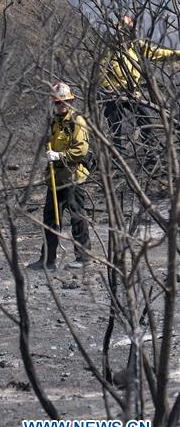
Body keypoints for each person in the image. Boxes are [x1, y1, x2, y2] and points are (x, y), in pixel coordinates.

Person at [27, 83, 91, 271]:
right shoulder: (54, 122)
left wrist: (60, 156)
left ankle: (83, 257)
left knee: (77, 217)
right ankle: (48, 260)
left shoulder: (77, 121)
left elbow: (81, 149)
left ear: (71, 101)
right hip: (55, 178)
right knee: (51, 219)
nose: (61, 106)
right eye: (58, 103)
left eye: (64, 102)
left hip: (73, 177)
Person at [98, 15, 179, 161]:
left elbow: (158, 53)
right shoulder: (110, 50)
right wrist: (108, 87)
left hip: (132, 92)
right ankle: (118, 157)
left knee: (145, 119)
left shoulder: (137, 46)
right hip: (115, 93)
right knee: (115, 123)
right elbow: (100, 72)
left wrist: (177, 55)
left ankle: (151, 153)